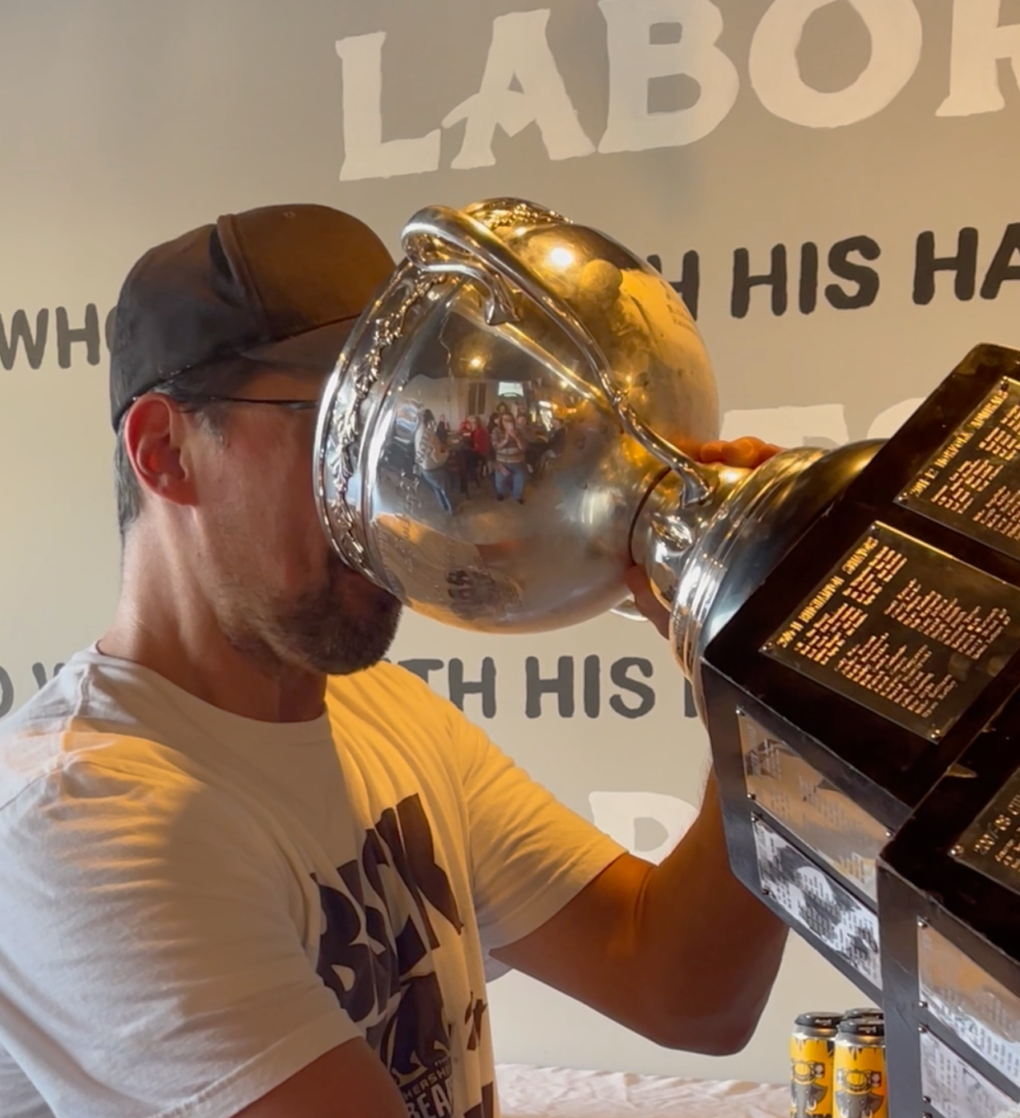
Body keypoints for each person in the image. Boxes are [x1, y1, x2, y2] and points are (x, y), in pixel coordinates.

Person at [0, 202, 785, 1118]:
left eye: (413, 428)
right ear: (166, 451)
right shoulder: (77, 820)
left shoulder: (385, 715)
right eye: (338, 433)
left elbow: (683, 987)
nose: (397, 497)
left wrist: (755, 672)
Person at [414, 407, 452, 512]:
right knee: (446, 490)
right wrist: (447, 454)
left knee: (437, 489)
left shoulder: (418, 432)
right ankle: (452, 510)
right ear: (430, 419)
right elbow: (437, 458)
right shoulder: (430, 434)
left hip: (424, 469)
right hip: (434, 469)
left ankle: (444, 507)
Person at [492, 411, 529, 503]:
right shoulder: (496, 431)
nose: (508, 422)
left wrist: (516, 437)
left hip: (518, 461)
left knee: (519, 481)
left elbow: (523, 448)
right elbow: (496, 446)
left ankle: (517, 496)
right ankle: (501, 494)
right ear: (501, 421)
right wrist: (506, 439)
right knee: (500, 482)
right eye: (505, 420)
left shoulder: (519, 431)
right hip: (502, 462)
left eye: (510, 420)